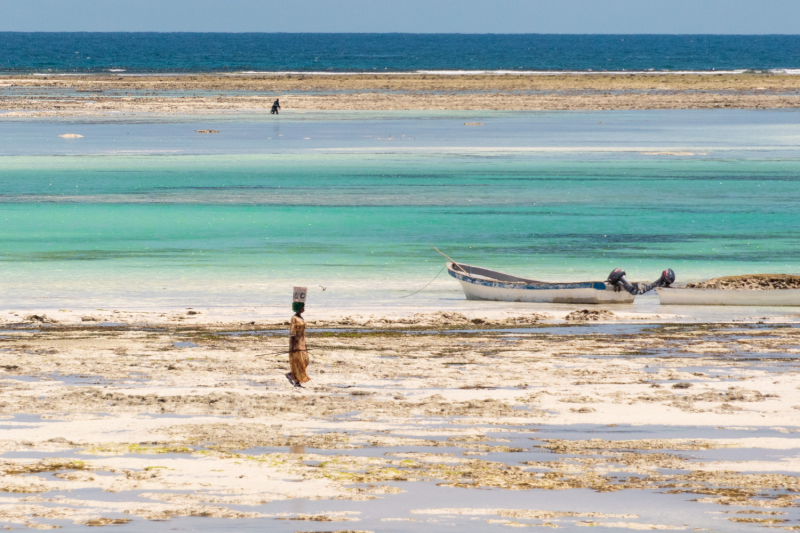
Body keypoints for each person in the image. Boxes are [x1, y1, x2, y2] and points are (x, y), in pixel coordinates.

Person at [287, 301, 310, 386]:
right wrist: (294, 345)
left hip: (302, 341)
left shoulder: (301, 317)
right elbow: (292, 332)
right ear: (298, 308)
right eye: (302, 307)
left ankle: (291, 375)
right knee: (298, 361)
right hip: (296, 341)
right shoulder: (294, 318)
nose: (304, 308)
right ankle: (297, 381)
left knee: (306, 360)